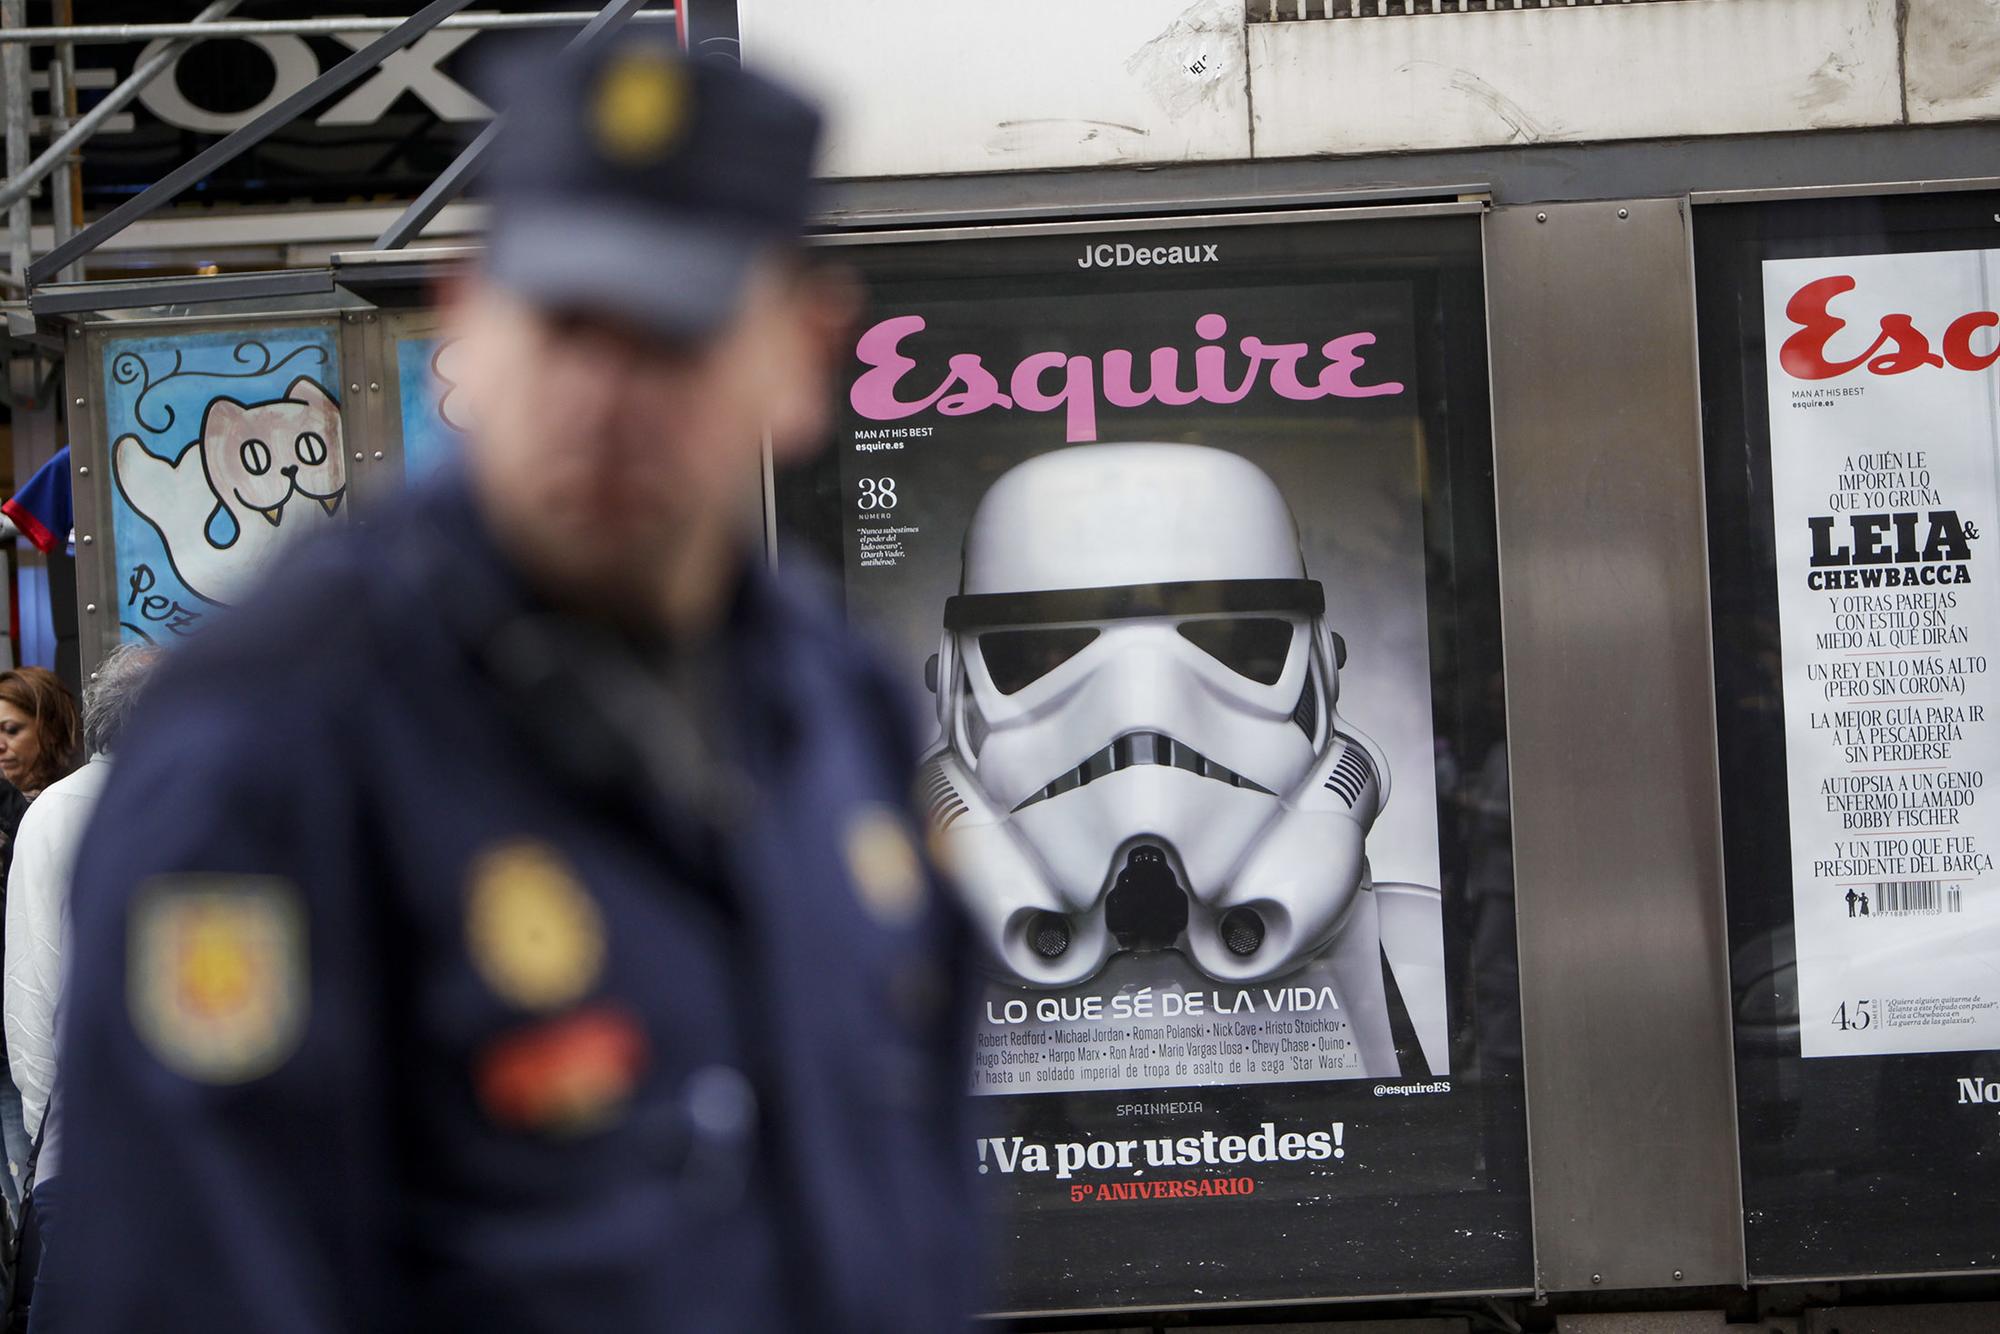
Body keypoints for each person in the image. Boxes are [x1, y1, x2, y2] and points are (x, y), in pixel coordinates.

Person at [46, 36, 977, 1334]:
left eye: (672, 331)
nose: (604, 394)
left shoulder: (838, 710)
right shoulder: (276, 736)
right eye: (564, 320)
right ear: (472, 310)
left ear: (804, 348)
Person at [3, 643, 160, 1327]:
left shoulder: (55, 813)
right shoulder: (212, 797)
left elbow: (31, 994)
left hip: (81, 1147)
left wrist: (51, 1138)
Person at [0, 667, 80, 1219]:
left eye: (11, 730)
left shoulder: (65, 809)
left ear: (48, 729)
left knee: (36, 1203)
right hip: (4, 1039)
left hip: (43, 1051)